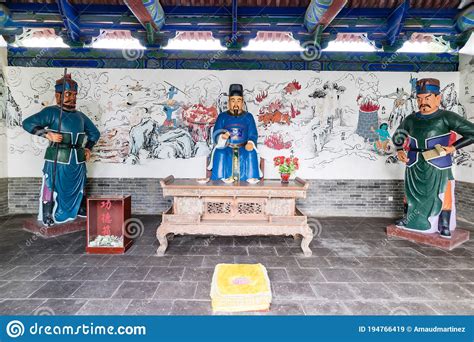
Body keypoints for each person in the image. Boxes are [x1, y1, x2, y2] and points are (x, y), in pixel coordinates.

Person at [393, 78, 474, 239]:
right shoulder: (411, 118)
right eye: (419, 98)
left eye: (427, 97)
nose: (423, 102)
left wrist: (452, 147)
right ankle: (407, 218)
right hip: (414, 162)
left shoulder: (447, 117)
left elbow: (472, 132)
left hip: (438, 163)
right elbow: (398, 136)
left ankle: (443, 224)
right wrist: (400, 150)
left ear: (438, 98)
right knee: (410, 193)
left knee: (443, 192)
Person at [22, 74, 100, 226]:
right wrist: (47, 134)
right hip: (57, 156)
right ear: (58, 96)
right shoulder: (50, 112)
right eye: (68, 94)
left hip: (77, 158)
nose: (72, 98)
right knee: (51, 184)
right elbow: (27, 123)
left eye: (74, 94)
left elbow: (95, 133)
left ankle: (78, 208)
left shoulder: (80, 116)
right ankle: (47, 214)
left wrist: (88, 148)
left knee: (79, 184)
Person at [208, 84, 261, 182]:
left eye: (238, 101)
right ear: (228, 102)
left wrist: (250, 143)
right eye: (233, 100)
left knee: (251, 153)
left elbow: (253, 134)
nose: (236, 104)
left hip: (244, 147)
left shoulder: (248, 117)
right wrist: (222, 137)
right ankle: (218, 180)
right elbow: (216, 133)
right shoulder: (222, 116)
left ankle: (251, 179)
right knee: (220, 153)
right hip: (227, 147)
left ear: (242, 102)